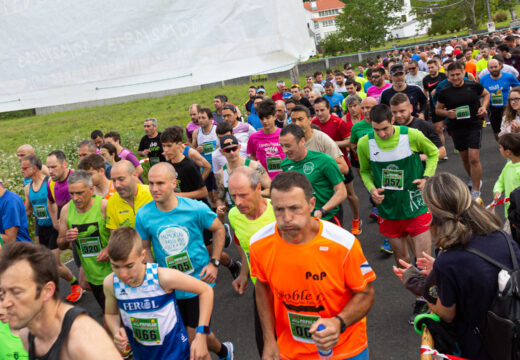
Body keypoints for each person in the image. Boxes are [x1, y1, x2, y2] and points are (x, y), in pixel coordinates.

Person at [250, 171, 376, 360]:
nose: (287, 218)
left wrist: (338, 322)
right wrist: (269, 340)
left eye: (294, 208)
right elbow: (262, 287)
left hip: (345, 349)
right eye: (279, 209)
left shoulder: (342, 244)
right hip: (291, 351)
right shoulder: (259, 243)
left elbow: (366, 293)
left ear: (311, 204)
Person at [135, 163, 234, 360]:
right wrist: (153, 276)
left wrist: (214, 262)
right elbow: (145, 248)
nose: (154, 189)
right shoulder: (144, 214)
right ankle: (224, 351)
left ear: (174, 183)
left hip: (198, 282)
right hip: (169, 286)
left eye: (160, 183)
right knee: (193, 334)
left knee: (192, 337)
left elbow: (219, 229)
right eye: (151, 183)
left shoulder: (195, 208)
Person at [419, 173, 520, 360]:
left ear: (433, 216)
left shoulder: (448, 262)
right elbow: (483, 274)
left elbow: (447, 314)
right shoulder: (503, 237)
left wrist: (424, 289)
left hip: (482, 346)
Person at [357, 104, 438, 323]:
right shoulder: (365, 143)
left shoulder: (411, 135)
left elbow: (433, 152)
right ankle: (422, 295)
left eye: (384, 128)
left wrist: (427, 177)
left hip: (415, 206)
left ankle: (427, 301)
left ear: (392, 120)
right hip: (389, 210)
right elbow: (364, 171)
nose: (381, 134)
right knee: (403, 262)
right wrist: (372, 189)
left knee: (422, 260)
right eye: (376, 129)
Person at [103, 226, 214, 360]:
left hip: (177, 353)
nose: (122, 274)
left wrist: (201, 335)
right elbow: (111, 314)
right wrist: (116, 331)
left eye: (129, 266)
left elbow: (206, 290)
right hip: (143, 355)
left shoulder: (162, 277)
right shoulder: (110, 283)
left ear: (142, 256)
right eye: (115, 266)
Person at [226, 167, 276, 356]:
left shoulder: (279, 210)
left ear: (258, 189)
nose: (238, 202)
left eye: (243, 195)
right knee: (265, 347)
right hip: (261, 289)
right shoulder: (234, 215)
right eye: (233, 196)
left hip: (288, 290)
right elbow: (243, 247)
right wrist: (244, 274)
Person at [22, 154, 81, 303]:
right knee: (44, 262)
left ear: (34, 168)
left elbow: (53, 202)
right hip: (40, 228)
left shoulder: (48, 182)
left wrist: (57, 222)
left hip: (54, 227)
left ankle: (75, 284)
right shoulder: (28, 188)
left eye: (24, 168)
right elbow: (28, 210)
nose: (21, 171)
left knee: (54, 263)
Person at [57, 170, 112, 312]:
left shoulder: (104, 206)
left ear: (91, 189)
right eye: (72, 193)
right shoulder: (66, 210)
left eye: (80, 193)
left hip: (114, 272)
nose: (75, 198)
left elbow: (120, 237)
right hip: (93, 274)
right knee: (109, 314)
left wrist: (108, 249)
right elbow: (60, 244)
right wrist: (66, 238)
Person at [436, 62, 490, 203]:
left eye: (458, 74)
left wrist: (483, 108)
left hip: (474, 124)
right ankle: (473, 179)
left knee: (473, 158)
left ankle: (476, 191)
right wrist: (447, 113)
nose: (455, 77)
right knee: (465, 158)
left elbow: (486, 95)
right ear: (448, 75)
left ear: (463, 73)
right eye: (452, 75)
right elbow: (438, 110)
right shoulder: (444, 91)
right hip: (456, 127)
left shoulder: (473, 85)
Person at [280, 124, 347, 225]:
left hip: (328, 217)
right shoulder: (285, 164)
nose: (284, 150)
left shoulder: (324, 160)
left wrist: (322, 210)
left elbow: (341, 192)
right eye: (282, 145)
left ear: (302, 141)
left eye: (288, 146)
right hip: (303, 220)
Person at [312, 97, 361, 234]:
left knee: (350, 195)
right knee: (330, 196)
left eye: (322, 110)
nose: (319, 113)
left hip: (341, 164)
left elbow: (349, 142)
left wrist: (329, 144)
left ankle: (356, 219)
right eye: (316, 111)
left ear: (329, 109)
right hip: (323, 168)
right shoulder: (313, 123)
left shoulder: (338, 122)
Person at [215, 135, 271, 213]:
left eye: (234, 149)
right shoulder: (220, 174)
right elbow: (220, 198)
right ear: (222, 152)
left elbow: (270, 190)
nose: (232, 152)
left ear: (239, 147)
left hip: (258, 211)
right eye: (227, 150)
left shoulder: (255, 166)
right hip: (237, 214)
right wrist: (220, 207)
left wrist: (253, 194)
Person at [390, 93, 447, 160]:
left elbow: (442, 152)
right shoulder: (391, 128)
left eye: (402, 111)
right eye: (394, 112)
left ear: (411, 108)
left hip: (423, 169)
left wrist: (418, 158)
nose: (398, 115)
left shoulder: (424, 126)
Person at [479, 58, 520, 141]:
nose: (494, 69)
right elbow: (481, 94)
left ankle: (512, 144)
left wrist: (513, 98)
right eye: (491, 67)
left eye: (495, 67)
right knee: (496, 130)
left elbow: (517, 87)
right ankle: (502, 145)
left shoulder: (509, 76)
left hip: (507, 107)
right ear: (488, 68)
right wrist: (482, 106)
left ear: (500, 66)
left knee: (510, 127)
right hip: (492, 108)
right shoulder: (483, 79)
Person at [106, 160, 153, 231]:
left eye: (121, 179)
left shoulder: (152, 194)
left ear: (135, 175)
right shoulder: (112, 201)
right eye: (114, 180)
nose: (117, 185)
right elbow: (115, 236)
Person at [247, 99, 285, 180]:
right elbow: (252, 157)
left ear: (275, 116)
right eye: (262, 118)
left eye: (267, 118)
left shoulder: (284, 134)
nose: (264, 121)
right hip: (263, 180)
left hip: (283, 178)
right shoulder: (253, 137)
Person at [192, 108, 219, 205]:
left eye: (203, 118)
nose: (200, 120)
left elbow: (223, 146)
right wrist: (197, 150)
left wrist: (213, 148)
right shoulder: (196, 132)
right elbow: (193, 150)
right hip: (205, 168)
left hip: (216, 166)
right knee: (210, 195)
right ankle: (216, 211)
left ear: (210, 118)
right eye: (199, 118)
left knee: (217, 195)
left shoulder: (217, 130)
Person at [493, 133, 520, 220]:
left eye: (500, 147)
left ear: (508, 152)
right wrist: (498, 190)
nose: (499, 149)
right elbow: (500, 181)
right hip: (510, 212)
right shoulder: (508, 166)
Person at [422, 59, 448, 150]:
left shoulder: (444, 76)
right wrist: (428, 98)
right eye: (428, 68)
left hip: (447, 105)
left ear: (437, 67)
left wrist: (438, 90)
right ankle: (443, 151)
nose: (430, 69)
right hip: (434, 106)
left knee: (451, 127)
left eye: (432, 67)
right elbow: (425, 90)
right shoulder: (426, 79)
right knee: (438, 129)